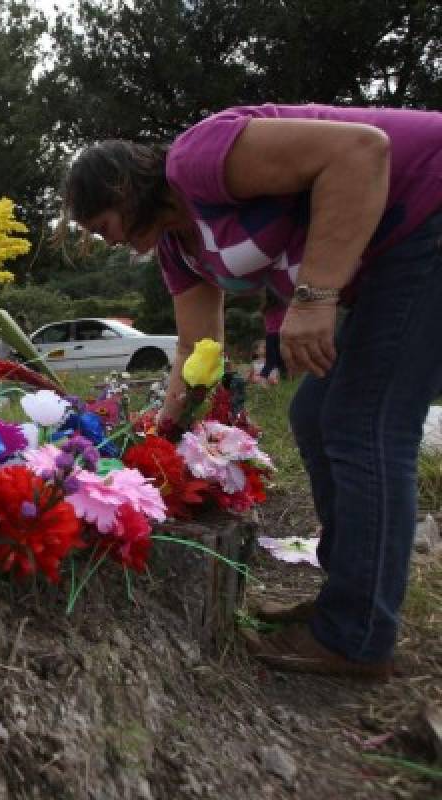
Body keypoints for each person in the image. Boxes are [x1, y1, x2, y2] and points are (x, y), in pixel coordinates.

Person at [63, 104, 442, 679]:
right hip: (394, 255)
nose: (106, 241)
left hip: (426, 209)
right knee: (315, 415)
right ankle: (349, 599)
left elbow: (361, 151)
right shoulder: (178, 249)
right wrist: (160, 440)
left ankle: (357, 637)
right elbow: (196, 354)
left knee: (363, 423)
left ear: (118, 186)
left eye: (99, 225)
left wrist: (314, 299)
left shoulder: (197, 161)